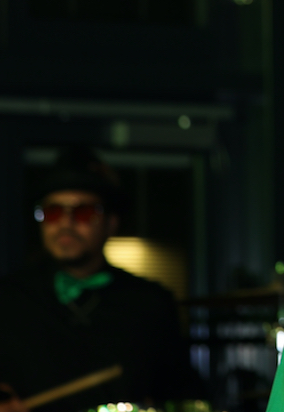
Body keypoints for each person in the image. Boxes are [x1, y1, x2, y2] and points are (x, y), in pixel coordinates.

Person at [0, 148, 199, 412]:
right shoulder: (8, 299)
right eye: (53, 212)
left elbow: (181, 392)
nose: (66, 223)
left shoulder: (151, 303)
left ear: (111, 223)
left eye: (83, 212)